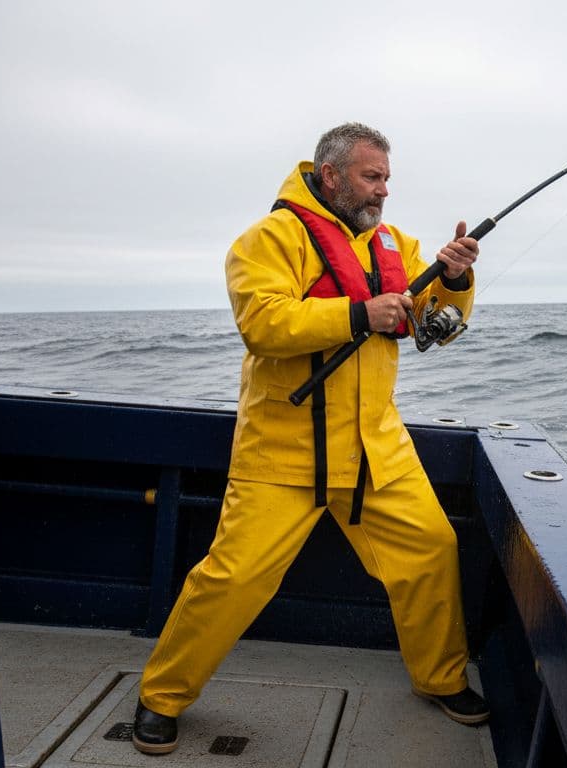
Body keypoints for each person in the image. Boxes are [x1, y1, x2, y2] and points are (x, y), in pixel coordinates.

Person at [131, 123, 485, 756]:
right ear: (329, 175)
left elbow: (442, 329)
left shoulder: (397, 246)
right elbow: (262, 324)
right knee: (233, 579)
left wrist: (455, 279)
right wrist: (358, 313)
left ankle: (441, 679)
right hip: (281, 452)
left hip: (378, 449)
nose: (382, 191)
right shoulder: (266, 240)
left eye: (386, 179)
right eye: (370, 177)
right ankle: (161, 697)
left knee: (432, 549)